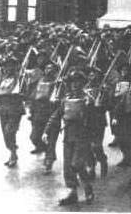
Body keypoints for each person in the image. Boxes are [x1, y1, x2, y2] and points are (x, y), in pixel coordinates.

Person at [42, 70, 95, 206]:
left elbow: (93, 118)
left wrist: (88, 108)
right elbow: (56, 115)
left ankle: (88, 186)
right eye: (72, 82)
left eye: (78, 82)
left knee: (76, 164)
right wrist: (46, 131)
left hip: (82, 136)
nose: (74, 85)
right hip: (68, 136)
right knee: (68, 167)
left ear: (82, 83)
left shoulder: (88, 99)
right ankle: (73, 193)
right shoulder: (66, 98)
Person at [0, 55, 25, 168]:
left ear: (15, 67)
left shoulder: (21, 78)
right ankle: (13, 153)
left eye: (11, 65)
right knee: (6, 135)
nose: (8, 68)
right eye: (7, 66)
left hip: (15, 108)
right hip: (3, 109)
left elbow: (26, 91)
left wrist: (21, 94)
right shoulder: (3, 79)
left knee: (10, 132)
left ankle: (13, 153)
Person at [29, 62, 60, 173]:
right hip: (39, 113)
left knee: (51, 140)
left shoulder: (59, 84)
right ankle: (47, 151)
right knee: (34, 137)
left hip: (52, 114)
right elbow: (33, 97)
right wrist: (31, 111)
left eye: (52, 69)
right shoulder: (40, 81)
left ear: (56, 72)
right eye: (47, 68)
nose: (48, 71)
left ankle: (49, 161)